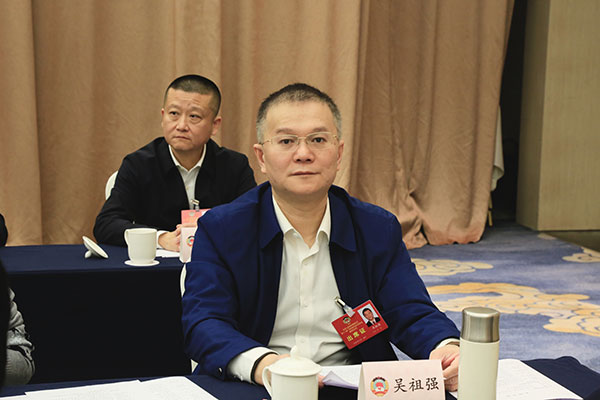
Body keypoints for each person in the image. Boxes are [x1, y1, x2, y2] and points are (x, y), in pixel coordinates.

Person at [181, 83, 461, 391]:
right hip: (258, 383)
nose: (303, 154)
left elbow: (410, 310)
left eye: (318, 140)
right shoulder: (223, 229)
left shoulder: (376, 228)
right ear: (261, 157)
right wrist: (265, 365)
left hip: (351, 386)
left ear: (338, 153)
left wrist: (445, 346)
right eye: (286, 141)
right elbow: (204, 322)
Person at [93, 74, 257, 251]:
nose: (181, 126)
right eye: (174, 114)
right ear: (163, 116)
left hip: (215, 263)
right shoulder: (138, 164)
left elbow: (253, 221)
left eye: (194, 116)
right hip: (157, 265)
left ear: (214, 125)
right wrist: (160, 238)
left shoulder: (234, 166)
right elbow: (106, 224)